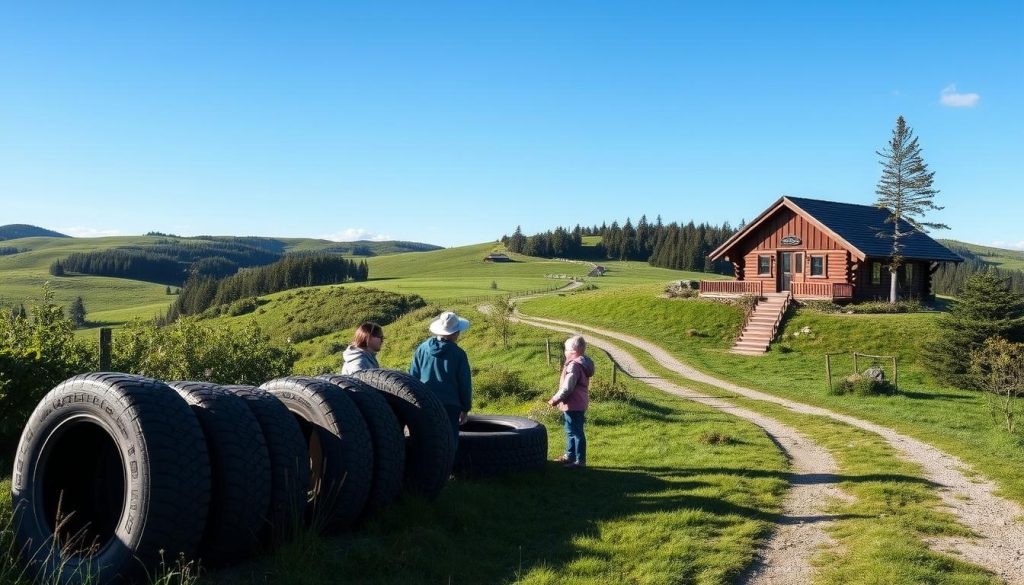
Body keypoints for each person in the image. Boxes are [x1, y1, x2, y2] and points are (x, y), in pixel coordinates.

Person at [409, 311, 473, 448]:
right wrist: (465, 408)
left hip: (425, 402)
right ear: (455, 333)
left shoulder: (421, 349)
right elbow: (465, 384)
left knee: (427, 440)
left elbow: (412, 377)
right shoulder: (459, 354)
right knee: (449, 441)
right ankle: (446, 468)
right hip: (450, 405)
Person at [548, 335, 595, 469]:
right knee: (570, 430)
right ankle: (570, 456)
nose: (565, 352)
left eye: (566, 350)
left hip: (574, 403)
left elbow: (568, 387)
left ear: (573, 351)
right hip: (576, 403)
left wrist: (555, 399)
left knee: (576, 432)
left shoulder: (574, 366)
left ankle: (580, 461)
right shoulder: (580, 363)